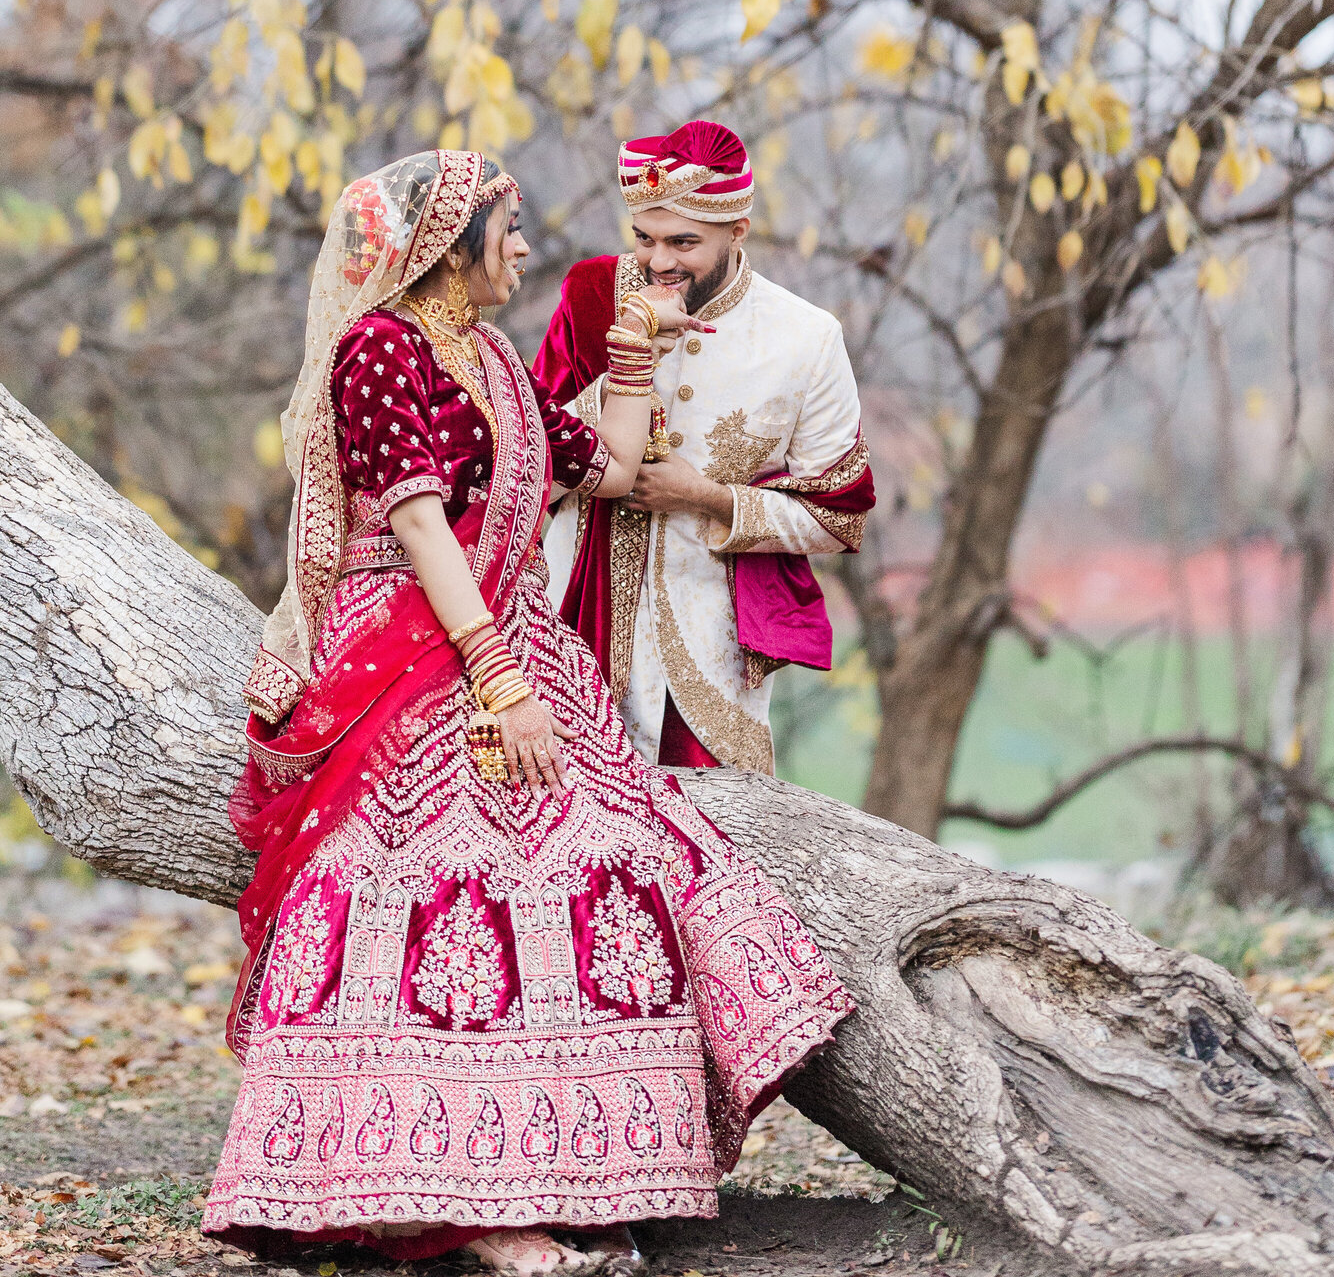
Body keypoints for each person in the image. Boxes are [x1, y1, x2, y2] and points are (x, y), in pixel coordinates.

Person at [204, 148, 853, 1275]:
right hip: (416, 648)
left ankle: (580, 1169)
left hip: (512, 639)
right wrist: (499, 683)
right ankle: (470, 1211)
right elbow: (414, 525)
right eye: (503, 229)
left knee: (624, 853)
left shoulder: (496, 358)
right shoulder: (382, 349)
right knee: (458, 876)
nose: (522, 247)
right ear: (447, 247)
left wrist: (636, 350)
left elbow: (603, 466)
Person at [536, 122, 873, 777]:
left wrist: (706, 497)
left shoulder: (806, 339)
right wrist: (626, 364)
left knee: (709, 844)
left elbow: (839, 518)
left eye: (683, 242)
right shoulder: (593, 297)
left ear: (737, 231)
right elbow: (528, 454)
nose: (658, 262)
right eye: (644, 238)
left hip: (711, 657)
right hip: (565, 626)